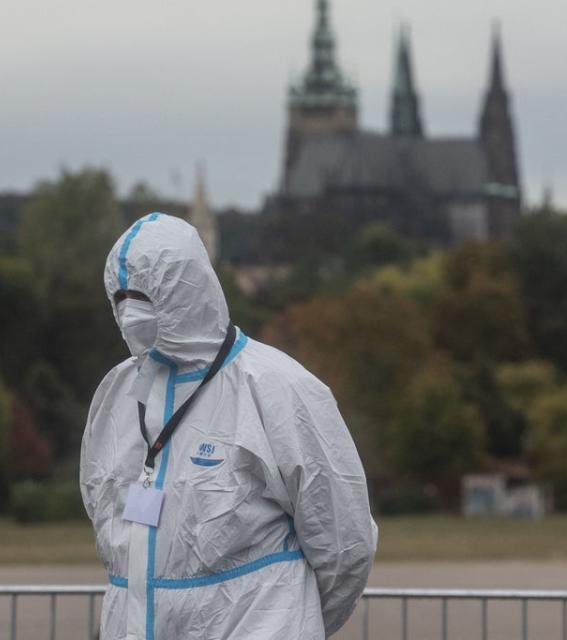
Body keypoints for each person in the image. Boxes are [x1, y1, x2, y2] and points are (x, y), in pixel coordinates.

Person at [80, 213, 377, 639]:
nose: (131, 312)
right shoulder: (117, 394)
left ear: (187, 289)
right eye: (121, 296)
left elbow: (344, 542)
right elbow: (103, 512)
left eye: (146, 294)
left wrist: (291, 621)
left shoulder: (278, 388)